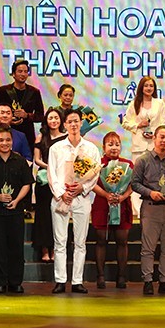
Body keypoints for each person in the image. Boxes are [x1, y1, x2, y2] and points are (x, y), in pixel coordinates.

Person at [49, 109, 101, 294]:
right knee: (60, 241)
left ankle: (77, 280)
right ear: (64, 124)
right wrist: (61, 193)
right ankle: (60, 280)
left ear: (81, 123)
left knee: (80, 241)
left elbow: (95, 174)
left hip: (81, 198)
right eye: (70, 121)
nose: (73, 124)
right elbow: (52, 174)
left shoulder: (91, 148)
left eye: (76, 121)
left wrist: (83, 188)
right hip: (61, 198)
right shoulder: (56, 148)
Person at [131, 126, 165, 295]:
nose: (164, 141)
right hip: (150, 207)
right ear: (154, 138)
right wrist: (150, 193)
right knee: (148, 248)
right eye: (161, 137)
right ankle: (148, 281)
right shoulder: (143, 160)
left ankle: (164, 281)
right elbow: (134, 183)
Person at [0, 124, 33, 294]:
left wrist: (16, 200)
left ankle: (16, 282)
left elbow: (27, 184)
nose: (5, 143)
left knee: (16, 247)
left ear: (12, 141)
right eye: (1, 140)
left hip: (15, 211)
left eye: (8, 140)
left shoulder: (20, 160)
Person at [91, 132, 133, 289]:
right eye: (110, 144)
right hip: (102, 205)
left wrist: (122, 197)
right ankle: (100, 277)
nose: (114, 147)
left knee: (122, 241)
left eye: (117, 144)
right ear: (103, 148)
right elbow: (91, 183)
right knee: (101, 240)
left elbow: (133, 185)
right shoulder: (98, 164)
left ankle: (121, 277)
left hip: (122, 205)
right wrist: (106, 194)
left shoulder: (128, 164)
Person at [122, 76, 165, 216]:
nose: (149, 88)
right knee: (138, 178)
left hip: (155, 145)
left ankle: (153, 206)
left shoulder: (159, 103)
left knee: (155, 177)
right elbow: (125, 123)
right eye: (146, 86)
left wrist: (155, 133)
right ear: (141, 88)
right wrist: (138, 125)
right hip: (139, 145)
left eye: (151, 86)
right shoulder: (134, 103)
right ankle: (136, 210)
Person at [32, 108, 66, 262]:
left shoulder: (66, 138)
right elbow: (37, 159)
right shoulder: (41, 137)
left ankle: (55, 249)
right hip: (45, 180)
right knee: (43, 215)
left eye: (56, 118)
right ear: (46, 120)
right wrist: (50, 167)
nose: (54, 121)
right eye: (50, 118)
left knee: (57, 215)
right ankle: (44, 250)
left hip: (60, 180)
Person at [0, 59, 44, 151]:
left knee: (27, 161)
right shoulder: (4, 90)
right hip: (5, 132)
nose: (23, 74)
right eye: (20, 71)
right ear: (13, 74)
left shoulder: (34, 92)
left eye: (25, 71)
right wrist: (8, 120)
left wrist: (27, 115)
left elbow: (40, 116)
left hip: (27, 134)